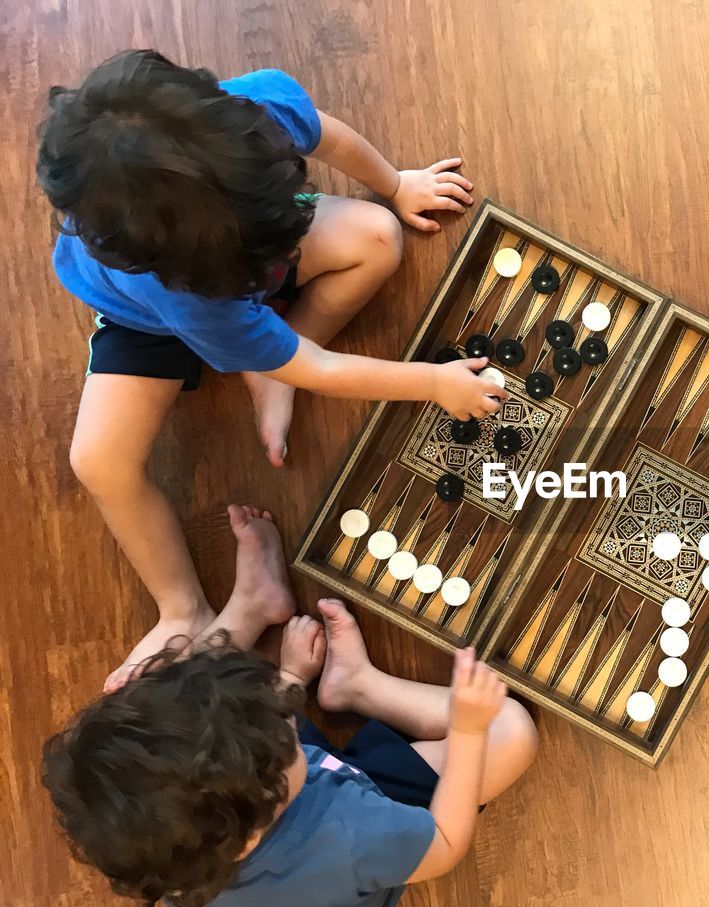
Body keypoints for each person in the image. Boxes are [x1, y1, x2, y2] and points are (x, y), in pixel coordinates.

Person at [36, 49, 507, 686]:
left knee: (377, 236)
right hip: (147, 324)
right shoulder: (198, 300)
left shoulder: (251, 112)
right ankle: (181, 606)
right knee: (97, 462)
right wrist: (432, 382)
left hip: (235, 254)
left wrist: (395, 186)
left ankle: (266, 367)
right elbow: (317, 368)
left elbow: (328, 134)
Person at [42, 505, 538, 907]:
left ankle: (257, 604)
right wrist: (470, 731)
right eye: (282, 737)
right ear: (251, 830)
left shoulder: (170, 847)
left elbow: (230, 734)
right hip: (362, 823)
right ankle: (361, 687)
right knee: (511, 730)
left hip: (260, 811)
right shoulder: (353, 836)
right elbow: (444, 845)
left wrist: (293, 679)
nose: (285, 717)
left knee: (164, 695)